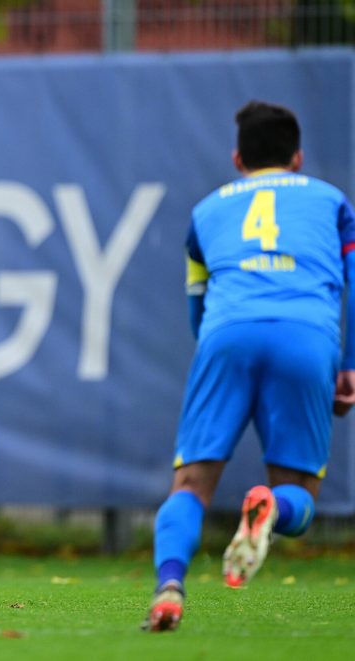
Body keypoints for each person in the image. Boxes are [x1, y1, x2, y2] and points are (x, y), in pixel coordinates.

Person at [145, 100, 355, 632]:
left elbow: (197, 303)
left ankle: (169, 586)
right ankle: (270, 509)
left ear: (238, 159)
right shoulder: (332, 202)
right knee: (298, 493)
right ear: (298, 157)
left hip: (227, 334)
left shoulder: (206, 211)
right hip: (307, 336)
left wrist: (219, 354)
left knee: (191, 485)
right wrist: (348, 365)